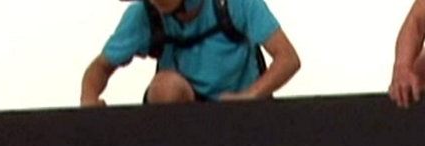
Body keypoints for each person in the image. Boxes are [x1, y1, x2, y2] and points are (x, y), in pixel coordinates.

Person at [82, 0, 300, 106]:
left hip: (240, 113)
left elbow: (288, 58)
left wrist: (250, 96)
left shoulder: (235, 3)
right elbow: (100, 67)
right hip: (182, 119)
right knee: (165, 88)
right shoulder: (143, 15)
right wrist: (89, 101)